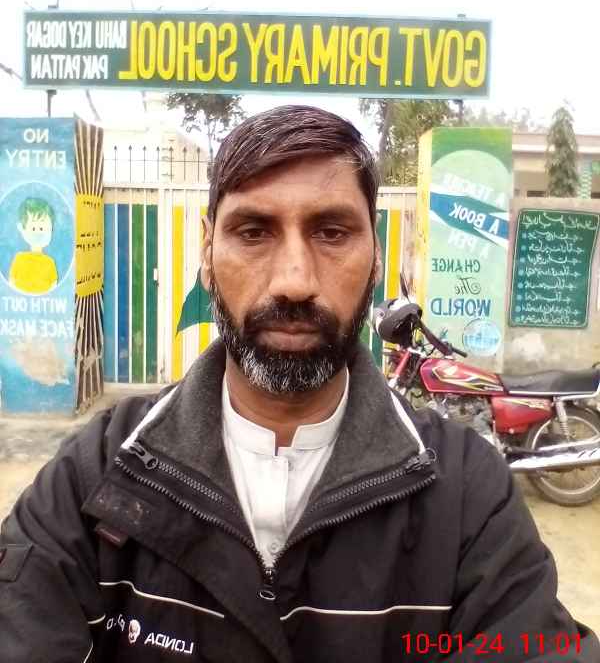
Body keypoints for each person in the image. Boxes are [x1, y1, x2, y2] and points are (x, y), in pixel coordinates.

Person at [0, 105, 597, 662]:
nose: (293, 281)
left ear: (375, 255)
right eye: (253, 232)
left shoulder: (467, 496)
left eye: (332, 233)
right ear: (207, 250)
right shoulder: (98, 474)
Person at [9, 197, 58, 294]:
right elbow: (11, 283)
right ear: (22, 229)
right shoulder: (19, 259)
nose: (38, 233)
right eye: (33, 229)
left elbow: (53, 287)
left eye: (42, 229)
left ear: (51, 230)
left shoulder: (50, 263)